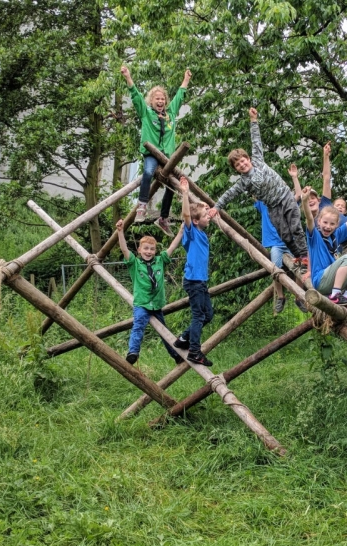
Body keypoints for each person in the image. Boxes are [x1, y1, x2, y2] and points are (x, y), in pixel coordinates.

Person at [209, 108, 309, 271]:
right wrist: (216, 207)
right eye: (238, 165)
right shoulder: (243, 183)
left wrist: (253, 121)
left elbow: (256, 141)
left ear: (248, 158)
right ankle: (298, 256)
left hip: (286, 197)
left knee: (295, 227)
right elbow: (229, 194)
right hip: (273, 207)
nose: (242, 165)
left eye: (243, 161)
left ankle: (305, 256)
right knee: (284, 235)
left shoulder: (258, 160)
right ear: (236, 169)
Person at [120, 65, 191, 236]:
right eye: (156, 99)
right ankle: (142, 205)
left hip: (167, 156)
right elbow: (136, 96)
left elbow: (179, 97)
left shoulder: (170, 114)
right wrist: (128, 77)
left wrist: (186, 80)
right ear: (151, 101)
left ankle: (163, 218)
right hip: (152, 154)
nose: (160, 102)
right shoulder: (146, 113)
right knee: (148, 172)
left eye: (162, 99)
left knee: (173, 183)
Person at [300, 183, 347, 316]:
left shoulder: (336, 235)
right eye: (325, 223)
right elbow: (309, 218)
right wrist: (305, 200)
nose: (328, 226)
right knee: (346, 258)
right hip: (320, 280)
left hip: (332, 280)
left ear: (336, 225)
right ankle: (335, 295)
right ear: (319, 222)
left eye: (332, 224)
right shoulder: (314, 236)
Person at [289, 142, 347, 263]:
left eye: (313, 197)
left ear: (319, 200)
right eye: (308, 198)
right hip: (343, 246)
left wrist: (326, 156)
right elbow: (315, 248)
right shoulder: (315, 226)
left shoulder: (326, 204)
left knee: (344, 268)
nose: (311, 200)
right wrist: (295, 178)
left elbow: (326, 178)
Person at [115, 221, 185, 365]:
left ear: (155, 251)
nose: (149, 251)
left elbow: (172, 246)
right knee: (139, 325)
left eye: (152, 249)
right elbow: (124, 250)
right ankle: (133, 352)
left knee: (164, 332)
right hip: (142, 303)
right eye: (146, 248)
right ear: (139, 250)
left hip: (157, 304)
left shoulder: (160, 261)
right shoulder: (135, 263)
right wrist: (120, 232)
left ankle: (176, 355)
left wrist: (181, 232)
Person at [171, 177, 215, 366]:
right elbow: (187, 216)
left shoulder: (202, 233)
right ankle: (194, 352)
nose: (208, 217)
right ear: (196, 221)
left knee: (208, 315)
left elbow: (200, 213)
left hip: (201, 281)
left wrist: (203, 206)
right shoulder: (192, 232)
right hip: (194, 281)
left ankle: (183, 339)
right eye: (205, 216)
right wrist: (185, 192)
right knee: (198, 316)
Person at [254, 200, 307, 314]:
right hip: (276, 246)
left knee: (301, 266)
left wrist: (295, 180)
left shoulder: (288, 202)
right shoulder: (265, 204)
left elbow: (298, 195)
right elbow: (255, 192)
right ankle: (280, 297)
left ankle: (299, 297)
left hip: (291, 243)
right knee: (274, 268)